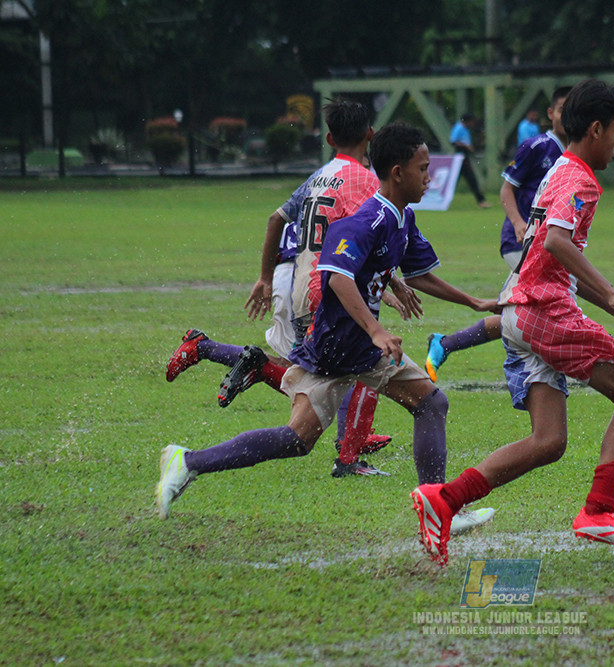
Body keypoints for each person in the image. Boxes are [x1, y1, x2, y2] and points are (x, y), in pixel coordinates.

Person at [157, 121, 498, 536]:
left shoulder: (401, 219)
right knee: (414, 409)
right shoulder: (368, 219)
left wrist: (473, 302)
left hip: (354, 347)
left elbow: (420, 274)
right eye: (424, 169)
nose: (430, 177)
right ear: (397, 173)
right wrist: (375, 330)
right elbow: (337, 276)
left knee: (312, 436)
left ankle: (188, 462)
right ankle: (436, 504)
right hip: (340, 347)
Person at [411, 80, 614, 566]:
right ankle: (599, 510)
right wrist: (610, 292)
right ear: (595, 128)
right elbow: (557, 245)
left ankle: (444, 500)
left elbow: (552, 251)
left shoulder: (558, 171)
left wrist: (607, 304)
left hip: (519, 314)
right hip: (545, 313)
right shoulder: (581, 179)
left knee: (549, 442)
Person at [165, 99, 414, 477]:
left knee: (315, 379)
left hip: (301, 287)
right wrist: (390, 281)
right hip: (330, 288)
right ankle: (348, 456)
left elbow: (276, 218)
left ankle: (219, 354)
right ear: (370, 135)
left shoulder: (318, 176)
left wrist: (265, 277)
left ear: (329, 137)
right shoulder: (364, 179)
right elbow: (366, 235)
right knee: (366, 358)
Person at [424, 87, 573, 382]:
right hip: (521, 242)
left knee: (519, 312)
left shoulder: (574, 154)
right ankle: (547, 369)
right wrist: (518, 223)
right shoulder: (536, 147)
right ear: (551, 114)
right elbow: (507, 188)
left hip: (548, 244)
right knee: (548, 306)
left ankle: (446, 344)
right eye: (562, 110)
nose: (568, 117)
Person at [450, 113, 490, 209]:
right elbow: (453, 141)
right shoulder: (459, 128)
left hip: (465, 156)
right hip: (460, 156)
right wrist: (466, 146)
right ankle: (481, 201)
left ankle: (481, 200)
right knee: (470, 179)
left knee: (460, 180)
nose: (473, 124)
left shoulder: (465, 129)